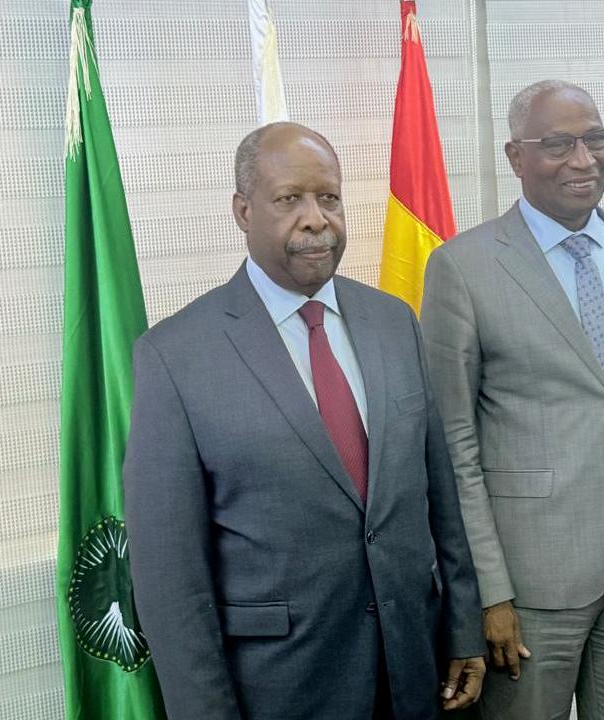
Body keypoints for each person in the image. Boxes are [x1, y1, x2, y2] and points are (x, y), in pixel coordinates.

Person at [123, 122, 486, 720]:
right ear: (243, 211)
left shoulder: (394, 321)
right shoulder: (176, 356)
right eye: (290, 199)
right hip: (281, 687)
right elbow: (169, 577)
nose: (316, 219)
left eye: (329, 197)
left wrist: (463, 626)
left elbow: (439, 495)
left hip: (414, 669)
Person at [419, 80, 604, 720]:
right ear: (515, 156)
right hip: (528, 586)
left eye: (595, 139)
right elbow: (451, 446)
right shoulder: (463, 268)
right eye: (558, 144)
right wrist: (487, 592)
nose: (583, 160)